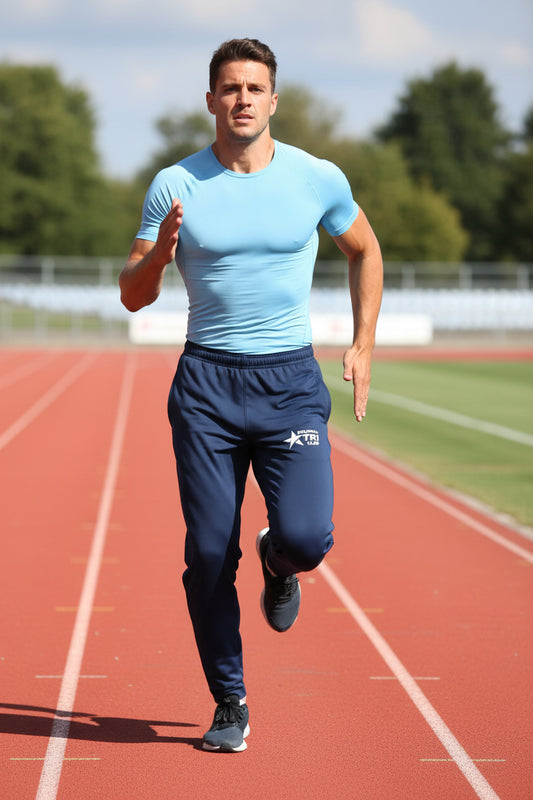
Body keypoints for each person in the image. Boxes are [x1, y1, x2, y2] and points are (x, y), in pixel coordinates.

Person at [119, 37, 383, 753]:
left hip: (288, 382)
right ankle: (229, 700)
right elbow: (133, 295)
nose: (241, 98)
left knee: (306, 537)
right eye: (229, 87)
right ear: (210, 100)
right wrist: (160, 257)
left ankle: (278, 562)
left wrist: (360, 342)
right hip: (206, 384)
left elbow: (364, 249)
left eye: (253, 87)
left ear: (273, 99)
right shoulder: (174, 184)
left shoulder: (314, 177)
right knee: (207, 553)